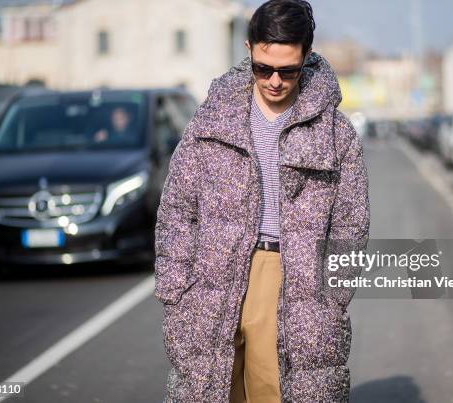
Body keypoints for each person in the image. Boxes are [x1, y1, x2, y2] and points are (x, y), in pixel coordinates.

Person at [154, 1, 370, 402]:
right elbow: (178, 212)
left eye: (287, 70)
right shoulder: (212, 121)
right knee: (210, 392)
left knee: (277, 394)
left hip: (294, 281)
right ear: (249, 48)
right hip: (211, 279)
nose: (274, 80)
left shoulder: (336, 134)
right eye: (262, 67)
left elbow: (350, 223)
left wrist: (334, 293)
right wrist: (174, 289)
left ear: (306, 57)